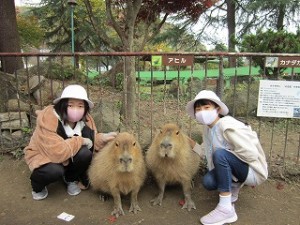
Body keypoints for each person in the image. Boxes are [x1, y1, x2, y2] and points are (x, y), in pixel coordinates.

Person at [186, 90, 268, 225]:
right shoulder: (207, 130)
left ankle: (225, 209)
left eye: (206, 108)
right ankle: (233, 189)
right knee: (208, 181)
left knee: (221, 155)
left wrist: (228, 159)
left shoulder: (226, 125)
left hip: (253, 171)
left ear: (217, 109)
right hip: (237, 168)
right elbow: (207, 155)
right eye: (198, 109)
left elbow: (250, 153)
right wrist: (190, 143)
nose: (202, 112)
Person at [24, 84, 117, 200]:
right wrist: (80, 140)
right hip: (47, 156)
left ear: (85, 108)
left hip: (67, 158)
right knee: (54, 170)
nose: (75, 110)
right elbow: (56, 152)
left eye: (80, 106)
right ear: (62, 105)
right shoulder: (48, 119)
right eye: (70, 105)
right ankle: (37, 186)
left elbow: (90, 140)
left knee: (85, 154)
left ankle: (70, 179)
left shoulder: (86, 120)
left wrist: (102, 138)